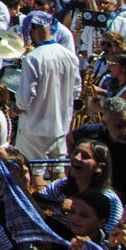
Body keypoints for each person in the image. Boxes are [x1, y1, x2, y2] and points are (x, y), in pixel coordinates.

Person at [17, 11, 82, 187]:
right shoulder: (69, 56)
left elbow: (24, 100)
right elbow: (76, 91)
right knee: (58, 170)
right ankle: (61, 209)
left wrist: (14, 110)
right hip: (61, 125)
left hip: (35, 127)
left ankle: (41, 212)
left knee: (34, 172)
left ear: (35, 29)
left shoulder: (33, 58)